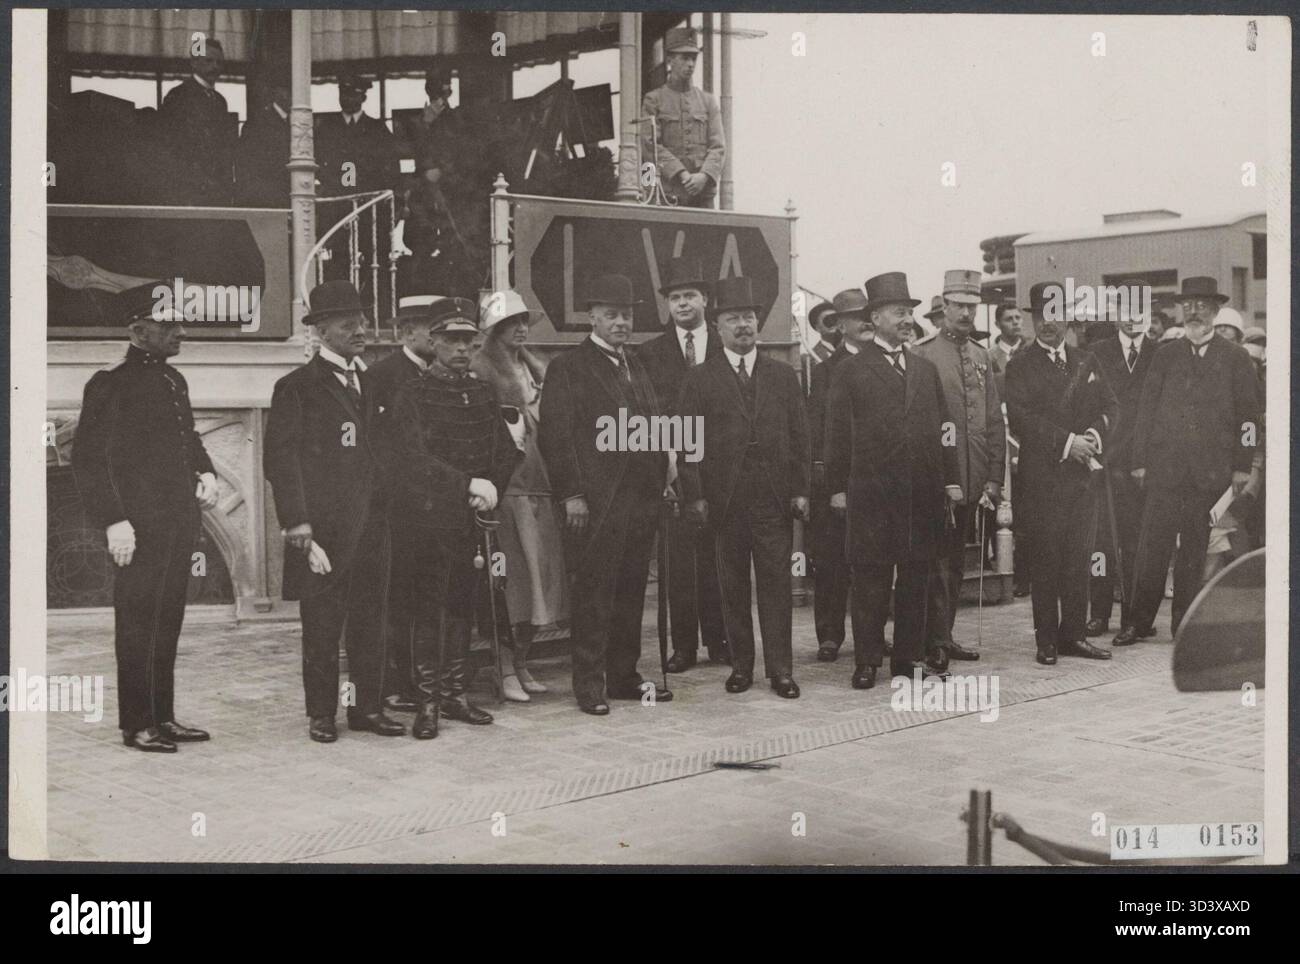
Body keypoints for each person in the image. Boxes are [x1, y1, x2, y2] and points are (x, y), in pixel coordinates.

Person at [72, 282, 220, 753]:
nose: (179, 332)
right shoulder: (110, 382)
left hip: (177, 521)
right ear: (138, 330)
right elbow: (90, 461)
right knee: (137, 621)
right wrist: (114, 520)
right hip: (136, 529)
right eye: (168, 325)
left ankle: (163, 716)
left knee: (167, 618)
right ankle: (137, 723)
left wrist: (207, 470)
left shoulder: (174, 380)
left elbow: (186, 437)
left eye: (179, 323)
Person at [263, 281, 402, 743]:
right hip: (323, 530)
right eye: (348, 323)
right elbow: (281, 460)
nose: (360, 329)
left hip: (374, 526)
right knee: (322, 625)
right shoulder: (297, 387)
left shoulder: (376, 381)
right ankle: (322, 712)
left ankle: (367, 708)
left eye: (362, 321)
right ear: (322, 330)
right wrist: (297, 522)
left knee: (371, 620)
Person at [538, 274, 673, 715]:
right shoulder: (569, 367)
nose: (621, 323)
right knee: (595, 592)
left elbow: (653, 423)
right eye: (611, 315)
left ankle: (624, 675)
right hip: (597, 501)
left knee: (632, 589)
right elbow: (556, 437)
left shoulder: (638, 363)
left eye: (627, 315)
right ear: (591, 317)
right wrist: (572, 494)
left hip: (641, 497)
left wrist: (666, 469)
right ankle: (589, 684)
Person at [390, 299, 521, 738]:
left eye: (469, 340)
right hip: (429, 519)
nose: (462, 349)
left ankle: (455, 695)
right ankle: (426, 703)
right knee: (429, 610)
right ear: (434, 341)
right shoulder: (413, 393)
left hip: (473, 520)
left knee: (463, 606)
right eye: (452, 340)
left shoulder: (484, 391)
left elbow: (505, 450)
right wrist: (466, 484)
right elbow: (409, 458)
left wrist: (493, 489)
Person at [825, 272, 962, 688]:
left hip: (920, 493)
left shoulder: (924, 370)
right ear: (876, 318)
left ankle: (908, 660)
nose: (907, 320)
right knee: (870, 579)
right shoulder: (850, 371)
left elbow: (945, 428)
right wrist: (836, 488)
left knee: (916, 578)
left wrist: (951, 479)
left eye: (910, 312)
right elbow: (836, 434)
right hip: (872, 494)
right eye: (900, 312)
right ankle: (866, 660)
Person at [677, 277, 809, 698]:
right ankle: (741, 667)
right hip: (724, 500)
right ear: (716, 327)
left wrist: (801, 489)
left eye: (749, 318)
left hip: (772, 498)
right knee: (731, 587)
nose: (743, 326)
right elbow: (687, 442)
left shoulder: (782, 375)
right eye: (733, 319)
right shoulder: (699, 379)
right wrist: (695, 494)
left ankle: (781, 670)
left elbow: (801, 436)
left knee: (776, 587)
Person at [1114, 277, 1262, 646]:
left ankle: (1183, 623)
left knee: (1194, 553)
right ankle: (1137, 622)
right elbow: (1146, 410)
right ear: (1182, 310)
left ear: (1215, 311)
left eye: (1202, 305)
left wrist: (1242, 465)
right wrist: (1139, 461)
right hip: (1164, 472)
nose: (1195, 311)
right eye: (1189, 305)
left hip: (1207, 475)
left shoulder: (1236, 357)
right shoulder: (1166, 355)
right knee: (1152, 550)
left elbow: (1248, 418)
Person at [1005, 282, 1118, 665]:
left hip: (1083, 480)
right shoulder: (1020, 365)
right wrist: (1069, 443)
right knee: (1046, 561)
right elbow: (1022, 419)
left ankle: (1074, 636)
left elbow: (1111, 407)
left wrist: (1093, 436)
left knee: (1078, 559)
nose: (1047, 324)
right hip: (1043, 482)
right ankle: (1047, 641)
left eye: (1054, 315)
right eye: (1040, 316)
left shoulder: (1087, 360)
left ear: (1068, 317)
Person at [470, 289, 569, 702]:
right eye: (512, 323)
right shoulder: (482, 371)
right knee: (510, 585)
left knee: (540, 583)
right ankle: (505, 668)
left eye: (524, 322)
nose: (522, 329)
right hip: (509, 489)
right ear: (495, 329)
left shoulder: (533, 368)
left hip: (541, 484)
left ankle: (523, 662)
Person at [911, 269, 1005, 668]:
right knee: (932, 564)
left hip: (973, 475)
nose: (966, 314)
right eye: (959, 306)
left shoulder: (983, 357)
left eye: (972, 306)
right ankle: (929, 639)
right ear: (943, 307)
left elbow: (994, 421)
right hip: (936, 479)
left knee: (956, 563)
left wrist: (994, 477)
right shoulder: (922, 353)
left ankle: (944, 636)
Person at [637, 257, 727, 672]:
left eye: (690, 295)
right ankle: (684, 646)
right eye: (675, 298)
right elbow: (648, 414)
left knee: (720, 558)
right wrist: (666, 466)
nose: (683, 304)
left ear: (705, 300)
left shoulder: (726, 345)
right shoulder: (650, 354)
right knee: (680, 564)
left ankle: (721, 640)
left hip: (723, 469)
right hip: (675, 469)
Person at [366, 296, 443, 715]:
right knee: (396, 597)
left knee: (426, 596)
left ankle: (424, 679)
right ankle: (395, 683)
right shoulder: (382, 376)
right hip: (398, 506)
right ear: (405, 332)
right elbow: (377, 444)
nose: (435, 337)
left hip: (436, 505)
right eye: (427, 328)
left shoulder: (446, 374)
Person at [1085, 284, 1156, 637]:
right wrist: (1097, 449)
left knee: (1135, 543)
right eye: (1126, 311)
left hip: (1142, 467)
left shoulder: (1160, 354)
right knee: (1100, 543)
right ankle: (1099, 612)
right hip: (1104, 464)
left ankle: (1133, 616)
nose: (1133, 318)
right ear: (1116, 314)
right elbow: (1087, 404)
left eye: (1140, 311)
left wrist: (1145, 459)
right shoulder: (1096, 352)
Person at [806, 288, 871, 662]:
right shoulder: (825, 371)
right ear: (840, 325)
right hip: (838, 481)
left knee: (872, 564)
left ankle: (871, 632)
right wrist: (830, 484)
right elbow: (820, 429)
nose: (863, 321)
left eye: (868, 314)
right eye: (854, 316)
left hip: (876, 480)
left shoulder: (890, 363)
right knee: (831, 561)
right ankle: (829, 635)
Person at [641, 27, 726, 208]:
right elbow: (650, 146)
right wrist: (681, 173)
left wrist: (704, 176)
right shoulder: (653, 100)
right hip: (668, 194)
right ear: (670, 59)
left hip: (702, 196)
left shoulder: (708, 102)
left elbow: (718, 147)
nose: (691, 64)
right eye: (685, 57)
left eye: (693, 58)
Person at [158, 37, 233, 205]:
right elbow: (170, 145)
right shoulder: (178, 96)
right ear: (194, 63)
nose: (215, 67)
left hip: (217, 189)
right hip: (187, 188)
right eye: (209, 61)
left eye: (219, 62)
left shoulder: (220, 101)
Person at [234, 72, 291, 207]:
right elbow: (246, 164)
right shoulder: (257, 123)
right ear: (276, 92)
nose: (292, 95)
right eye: (288, 90)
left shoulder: (292, 123)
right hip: (265, 198)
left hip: (284, 196)